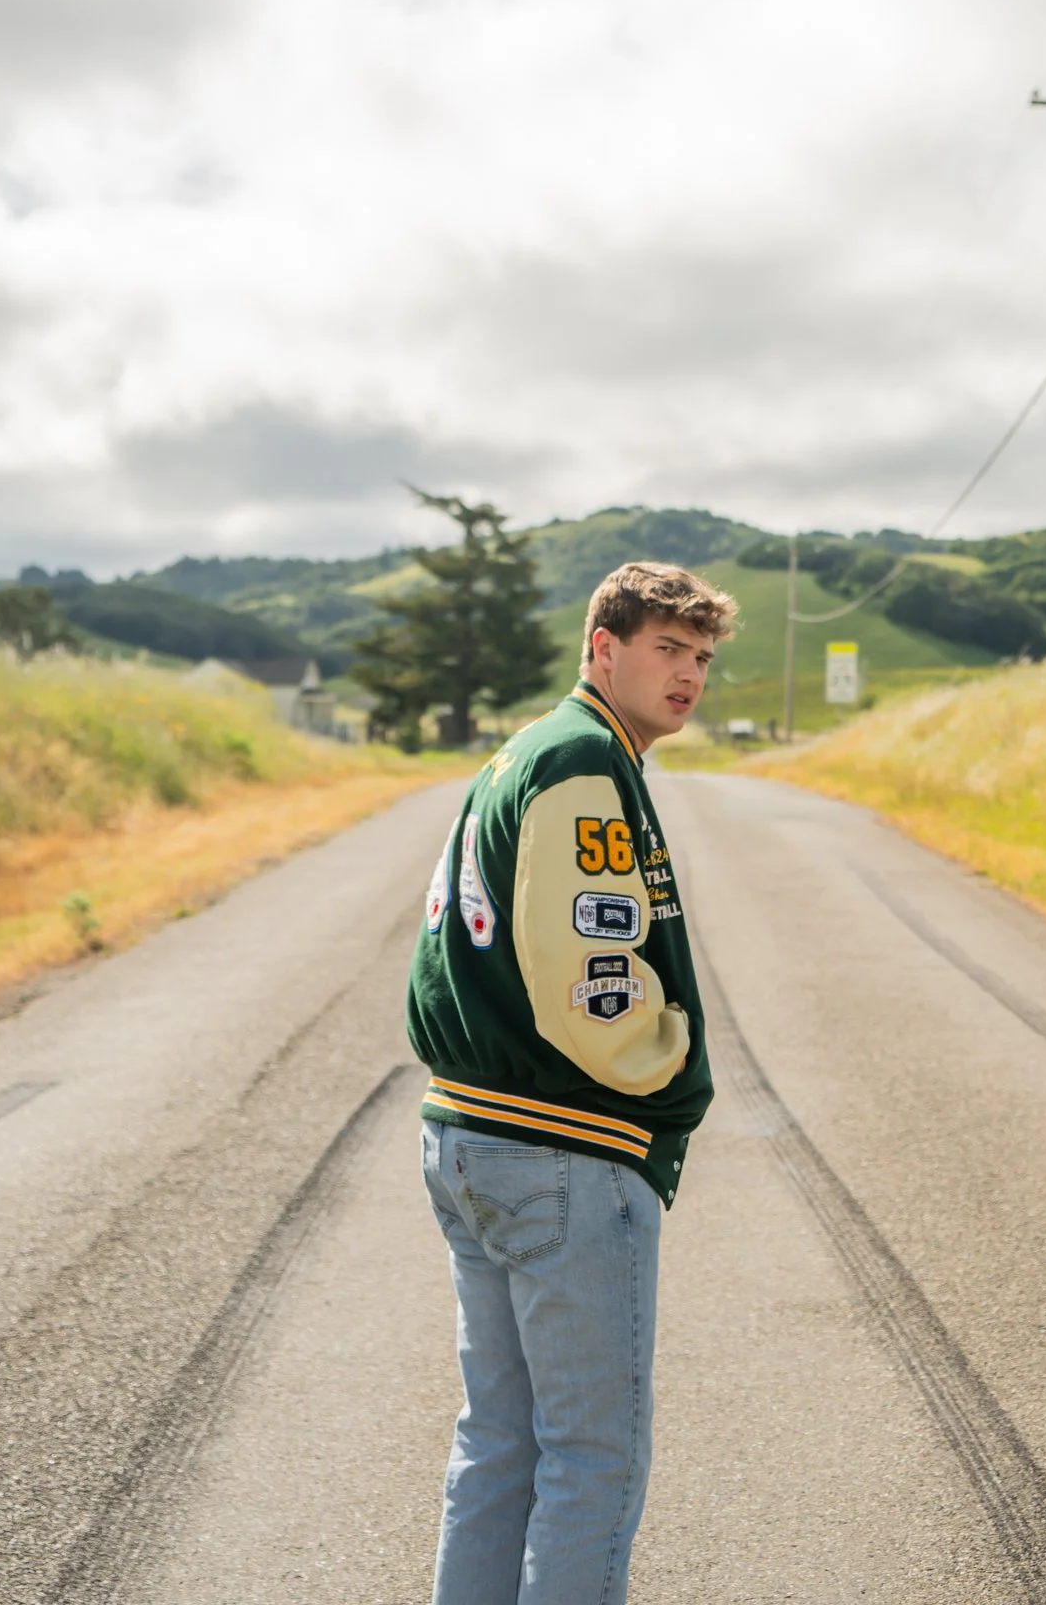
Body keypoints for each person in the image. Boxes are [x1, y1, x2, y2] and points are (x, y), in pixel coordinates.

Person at [408, 559, 737, 1605]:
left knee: (499, 1442)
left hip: (469, 1134)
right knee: (591, 1458)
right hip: (564, 1148)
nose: (686, 674)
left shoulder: (524, 751)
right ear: (602, 646)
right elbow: (590, 982)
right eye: (664, 649)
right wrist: (670, 1058)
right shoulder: (586, 759)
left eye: (699, 656)